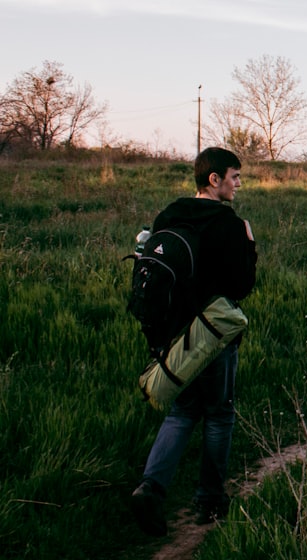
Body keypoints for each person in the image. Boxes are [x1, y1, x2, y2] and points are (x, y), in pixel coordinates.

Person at [130, 147, 257, 536]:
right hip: (213, 337)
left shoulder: (169, 214)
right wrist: (250, 246)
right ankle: (210, 500)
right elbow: (242, 287)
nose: (238, 184)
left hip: (174, 338)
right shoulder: (229, 225)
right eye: (234, 176)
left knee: (182, 412)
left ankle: (151, 487)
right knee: (219, 414)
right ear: (214, 179)